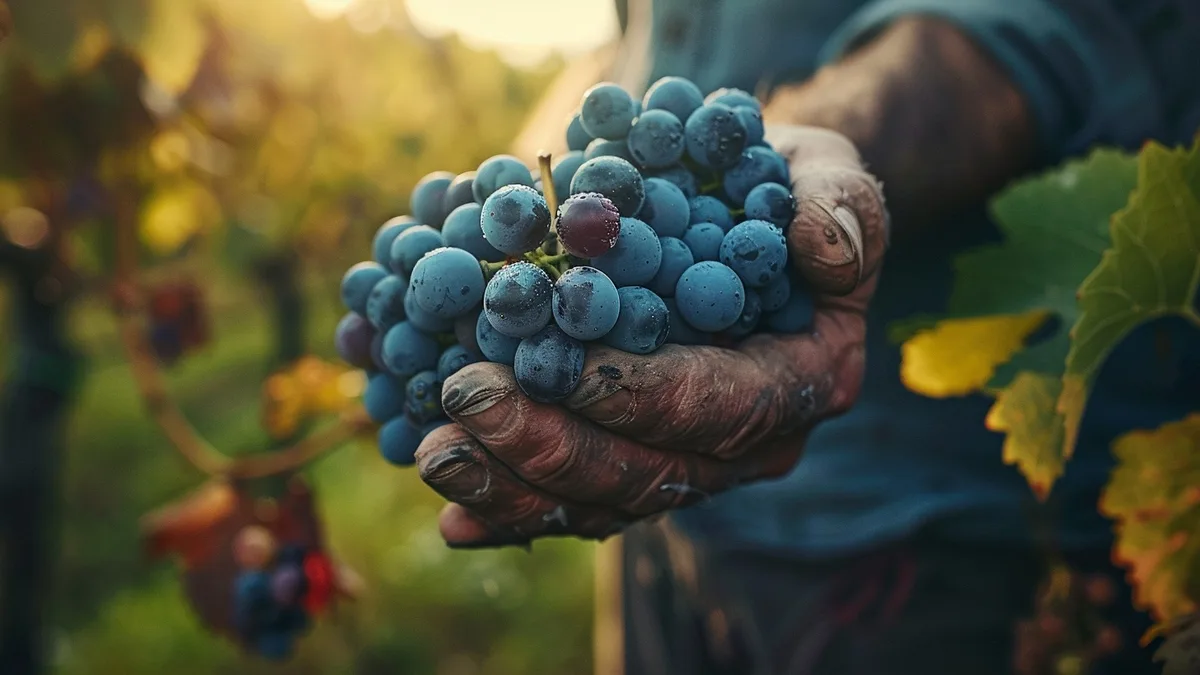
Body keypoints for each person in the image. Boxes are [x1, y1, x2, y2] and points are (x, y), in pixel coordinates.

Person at [416, 1, 1200, 673]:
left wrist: (808, 146)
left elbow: (1041, 27)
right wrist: (528, 178)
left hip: (937, 535)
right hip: (662, 527)